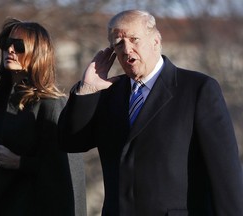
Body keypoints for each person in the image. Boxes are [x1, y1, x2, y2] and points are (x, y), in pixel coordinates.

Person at [58, 9, 243, 216]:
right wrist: (87, 90)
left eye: (134, 39)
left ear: (156, 41)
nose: (127, 49)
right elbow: (71, 142)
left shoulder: (197, 89)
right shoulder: (108, 93)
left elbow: (225, 173)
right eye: (118, 43)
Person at [0, 18, 86, 216]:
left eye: (18, 46)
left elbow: (66, 172)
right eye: (6, 44)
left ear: (38, 54)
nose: (10, 50)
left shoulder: (50, 104)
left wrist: (20, 162)